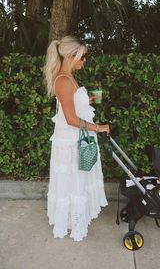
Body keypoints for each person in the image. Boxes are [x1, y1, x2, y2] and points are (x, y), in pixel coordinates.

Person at [43, 35, 109, 241]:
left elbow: (71, 104)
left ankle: (75, 219)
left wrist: (86, 99)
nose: (84, 61)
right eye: (82, 57)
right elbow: (70, 118)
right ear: (71, 56)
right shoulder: (63, 80)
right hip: (70, 141)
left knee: (77, 179)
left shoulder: (69, 77)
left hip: (76, 139)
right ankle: (72, 224)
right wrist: (97, 127)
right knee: (73, 181)